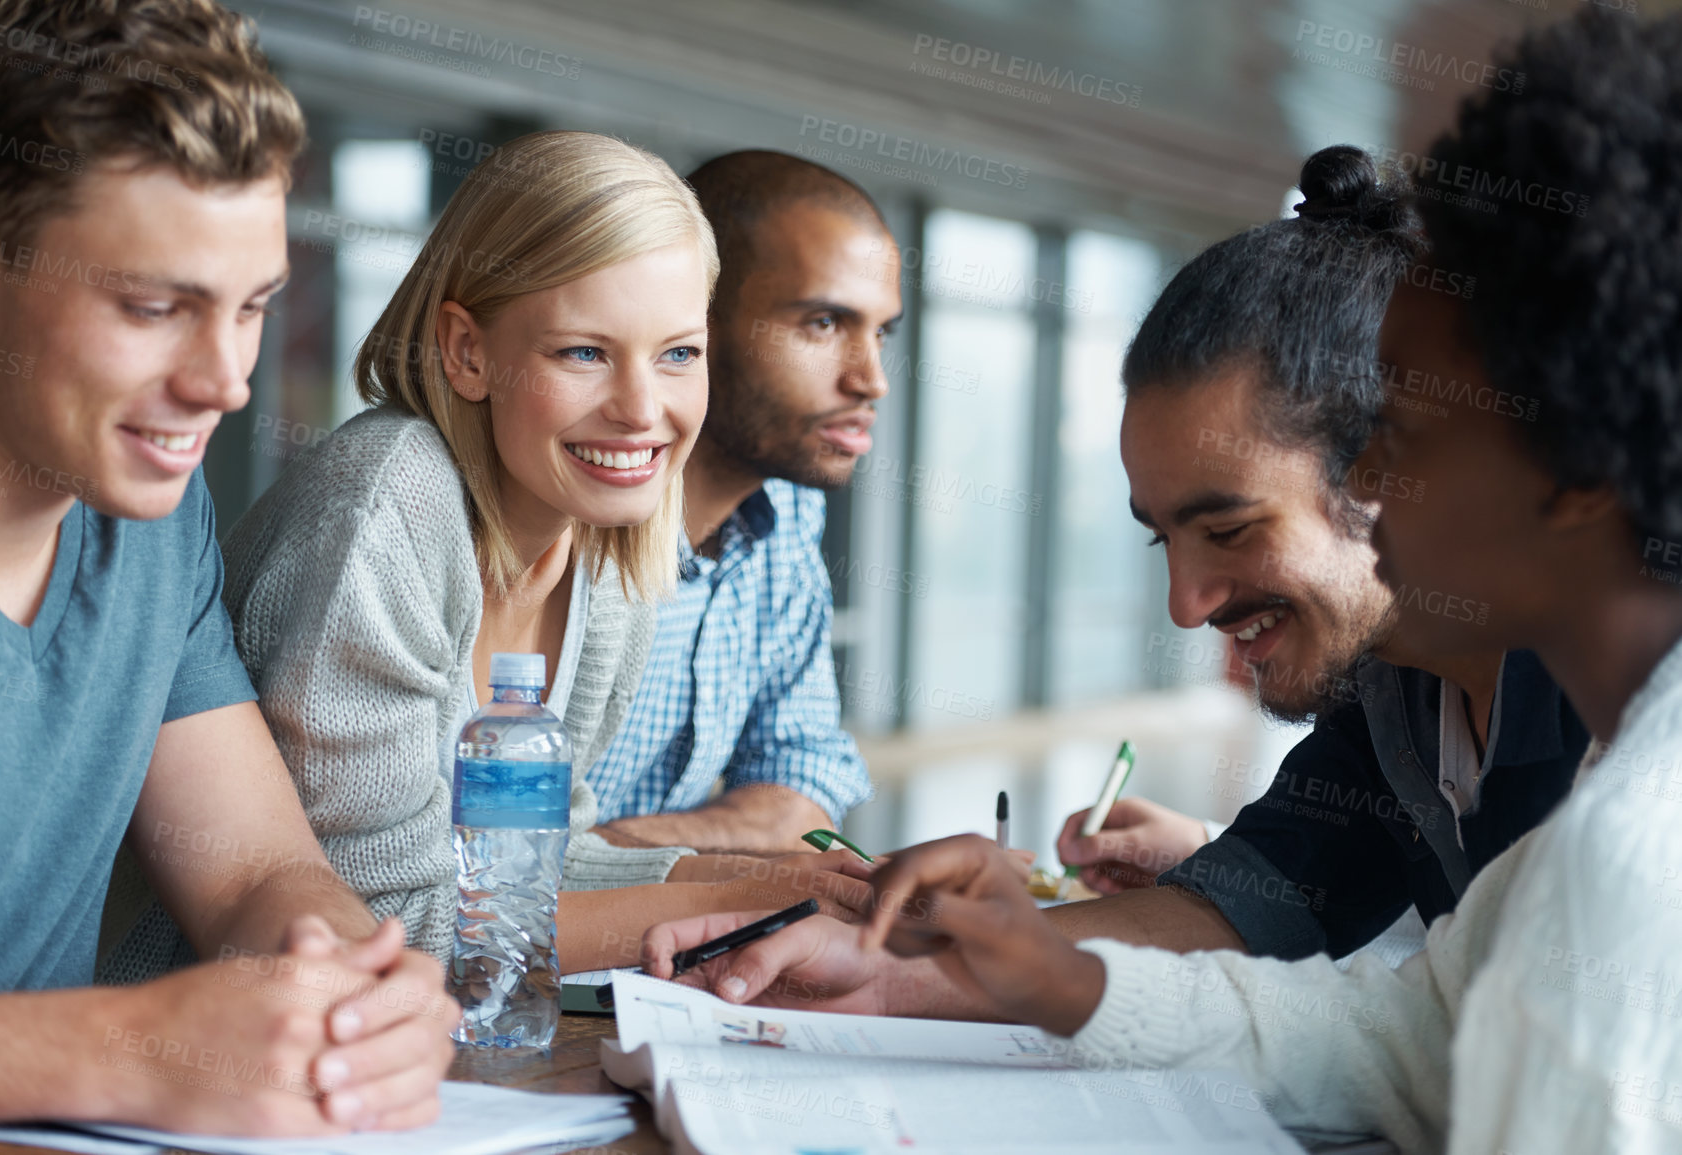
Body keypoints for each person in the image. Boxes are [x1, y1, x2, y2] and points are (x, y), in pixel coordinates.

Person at [660, 10, 1682, 1152]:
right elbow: (1391, 1026)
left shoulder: (1624, 851)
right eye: (1161, 540)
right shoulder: (1425, 720)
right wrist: (982, 971)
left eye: (1411, 428)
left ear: (1578, 458)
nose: (1188, 605)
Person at [640, 143, 1589, 1016]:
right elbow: (1244, 907)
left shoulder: (1621, 699)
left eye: (1227, 527)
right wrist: (894, 967)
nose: (1188, 604)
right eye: (1161, 540)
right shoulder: (1390, 695)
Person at [99, 131, 872, 983]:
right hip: (203, 1038)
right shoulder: (389, 501)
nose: (642, 409)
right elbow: (385, 925)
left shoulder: (604, 545)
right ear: (468, 352)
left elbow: (533, 863)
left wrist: (795, 884)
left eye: (678, 354)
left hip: (435, 1043)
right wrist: (735, 906)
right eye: (584, 352)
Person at [0, 0, 454, 1134]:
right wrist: (129, 1051)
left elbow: (246, 874)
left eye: (253, 309)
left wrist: (342, 990)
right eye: (153, 307)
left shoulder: (153, 526)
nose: (225, 380)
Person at [582, 150, 901, 855]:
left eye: (880, 331)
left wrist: (600, 853)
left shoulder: (787, 515)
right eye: (822, 323)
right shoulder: (562, 512)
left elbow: (805, 775)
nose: (870, 378)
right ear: (692, 323)